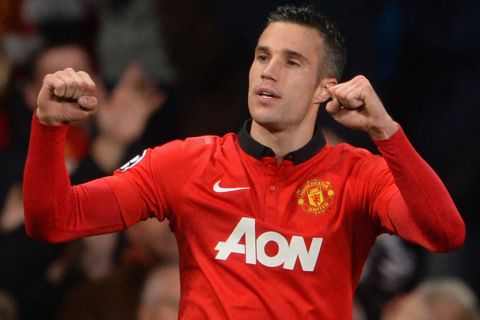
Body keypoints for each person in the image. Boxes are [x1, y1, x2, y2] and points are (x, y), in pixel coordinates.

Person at [23, 5, 465, 319]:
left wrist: (387, 134)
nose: (269, 71)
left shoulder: (358, 175)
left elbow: (444, 232)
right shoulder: (186, 162)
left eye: (292, 62)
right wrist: (47, 127)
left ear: (323, 89)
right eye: (262, 56)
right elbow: (54, 221)